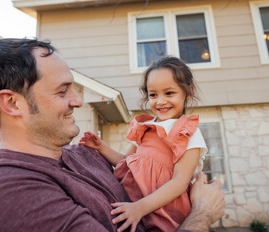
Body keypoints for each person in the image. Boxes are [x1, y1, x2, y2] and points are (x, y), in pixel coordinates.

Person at [0, 38, 224, 232]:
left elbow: (131, 166)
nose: (77, 101)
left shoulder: (86, 157)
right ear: (13, 104)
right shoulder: (3, 192)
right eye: (62, 92)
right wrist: (201, 215)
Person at [79, 57, 208, 232]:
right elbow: (125, 162)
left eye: (169, 93)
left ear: (188, 92)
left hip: (165, 210)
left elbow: (180, 182)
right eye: (153, 95)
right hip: (132, 204)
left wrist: (140, 208)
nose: (160, 101)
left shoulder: (187, 132)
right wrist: (101, 147)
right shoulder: (145, 128)